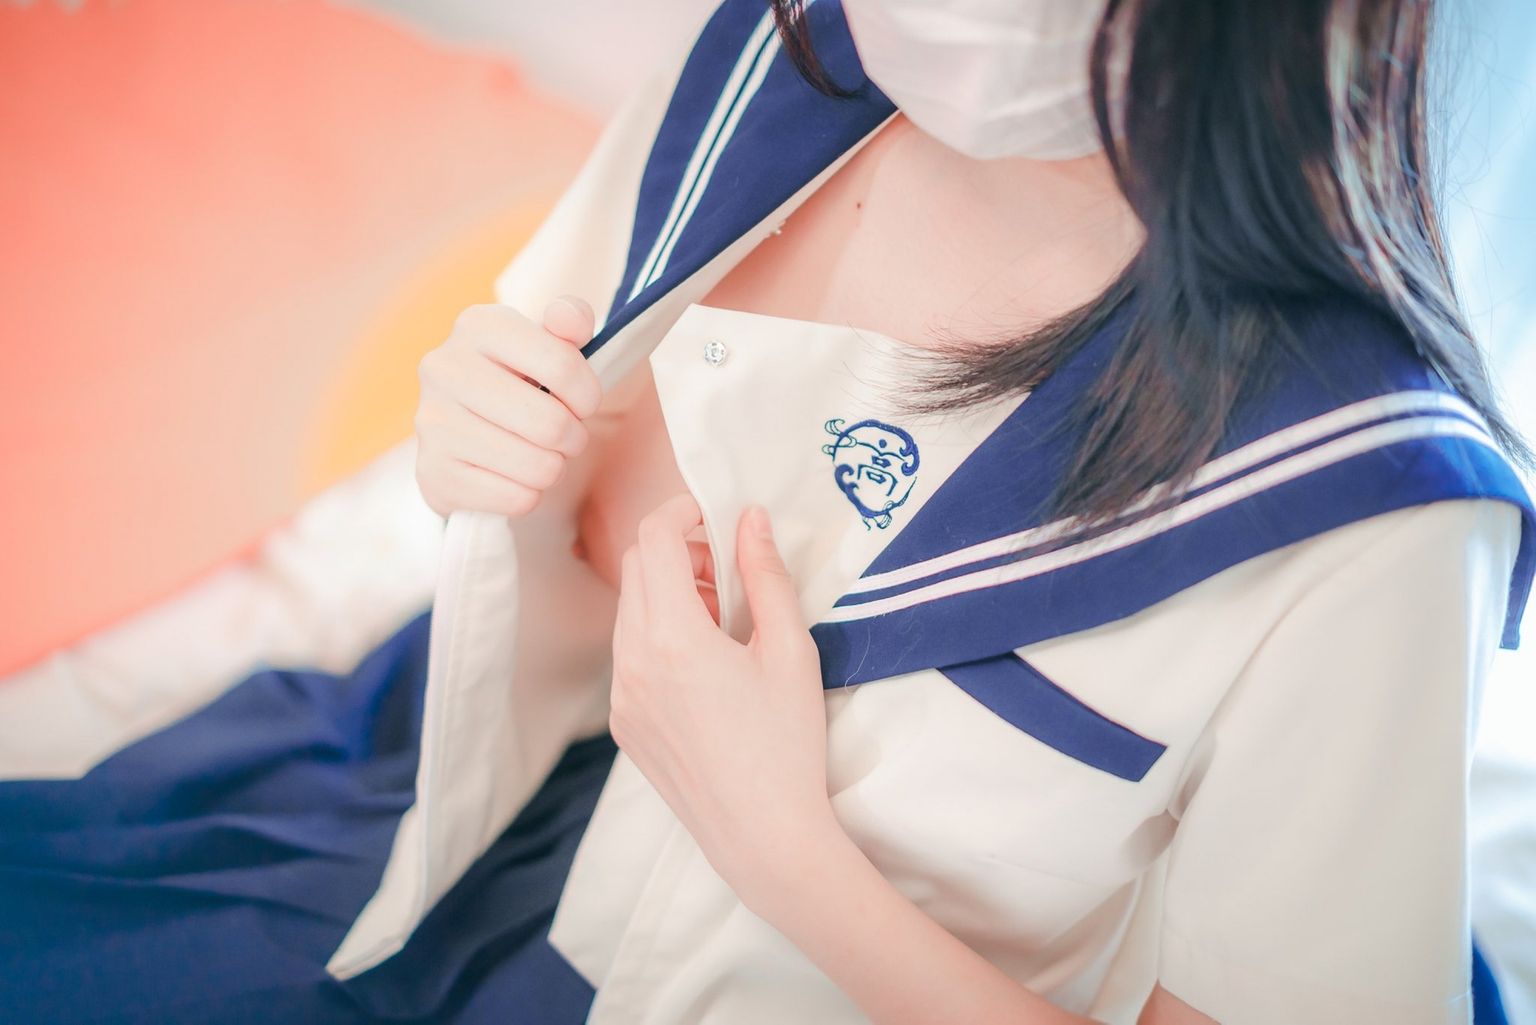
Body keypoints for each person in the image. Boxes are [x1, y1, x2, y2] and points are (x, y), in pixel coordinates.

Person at [2, 0, 1533, 1023]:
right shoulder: (783, 68)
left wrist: (783, 848)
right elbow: (583, 505)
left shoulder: (1375, 513)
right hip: (489, 810)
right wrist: (484, 446)